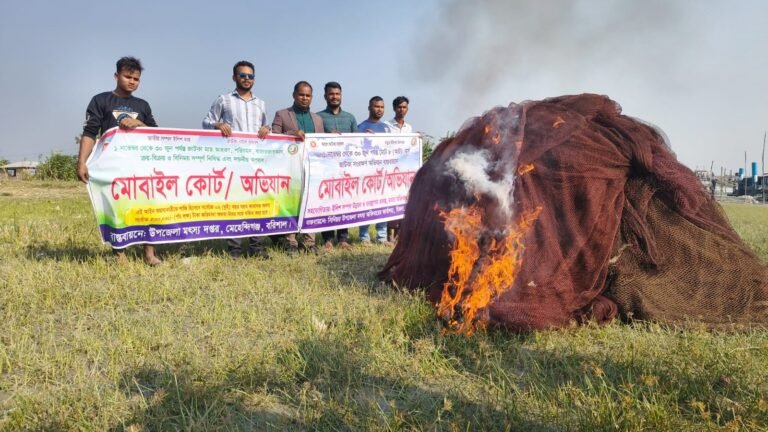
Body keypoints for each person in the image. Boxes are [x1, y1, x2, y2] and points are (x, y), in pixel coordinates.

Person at [76, 56, 161, 266]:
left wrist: (140, 123)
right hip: (112, 167)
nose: (132, 81)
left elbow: (157, 134)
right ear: (116, 76)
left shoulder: (143, 105)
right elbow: (89, 132)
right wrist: (82, 162)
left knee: (147, 207)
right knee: (116, 208)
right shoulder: (100, 100)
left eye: (136, 79)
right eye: (127, 76)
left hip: (141, 167)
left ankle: (149, 254)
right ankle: (120, 255)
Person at [202, 60, 271, 259]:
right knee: (235, 205)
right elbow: (206, 121)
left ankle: (256, 247)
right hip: (233, 160)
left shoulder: (261, 103)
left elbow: (266, 129)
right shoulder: (223, 100)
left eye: (250, 76)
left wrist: (268, 129)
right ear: (234, 77)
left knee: (257, 205)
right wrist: (218, 125)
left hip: (257, 162)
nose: (247, 79)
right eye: (243, 75)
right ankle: (235, 249)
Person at [272, 81, 325, 254]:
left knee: (311, 203)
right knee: (291, 204)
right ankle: (291, 241)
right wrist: (291, 134)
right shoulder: (282, 114)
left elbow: (322, 143)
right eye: (301, 94)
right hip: (289, 169)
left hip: (311, 169)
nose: (304, 98)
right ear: (294, 95)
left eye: (308, 95)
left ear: (312, 97)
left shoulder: (317, 119)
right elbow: (273, 137)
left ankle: (310, 242)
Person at [315, 82, 357, 251]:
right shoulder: (318, 117)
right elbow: (315, 140)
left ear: (341, 95)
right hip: (326, 169)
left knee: (344, 202)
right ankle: (328, 240)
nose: (334, 97)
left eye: (337, 94)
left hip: (345, 169)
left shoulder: (350, 117)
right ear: (325, 96)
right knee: (327, 203)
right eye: (331, 94)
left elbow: (357, 142)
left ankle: (343, 238)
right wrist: (327, 137)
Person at [357, 96, 391, 245]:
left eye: (382, 107)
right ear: (370, 108)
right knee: (365, 205)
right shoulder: (360, 127)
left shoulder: (386, 128)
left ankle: (381, 237)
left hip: (382, 173)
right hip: (366, 174)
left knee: (382, 204)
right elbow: (356, 150)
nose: (379, 109)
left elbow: (392, 148)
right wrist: (365, 140)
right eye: (376, 106)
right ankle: (364, 236)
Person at [384, 96, 413, 242]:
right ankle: (389, 235)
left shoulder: (409, 128)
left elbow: (410, 147)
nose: (402, 110)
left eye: (404, 107)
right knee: (391, 201)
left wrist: (416, 140)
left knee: (404, 201)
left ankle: (400, 235)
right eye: (399, 107)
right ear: (394, 108)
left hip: (405, 172)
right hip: (390, 170)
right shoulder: (387, 126)